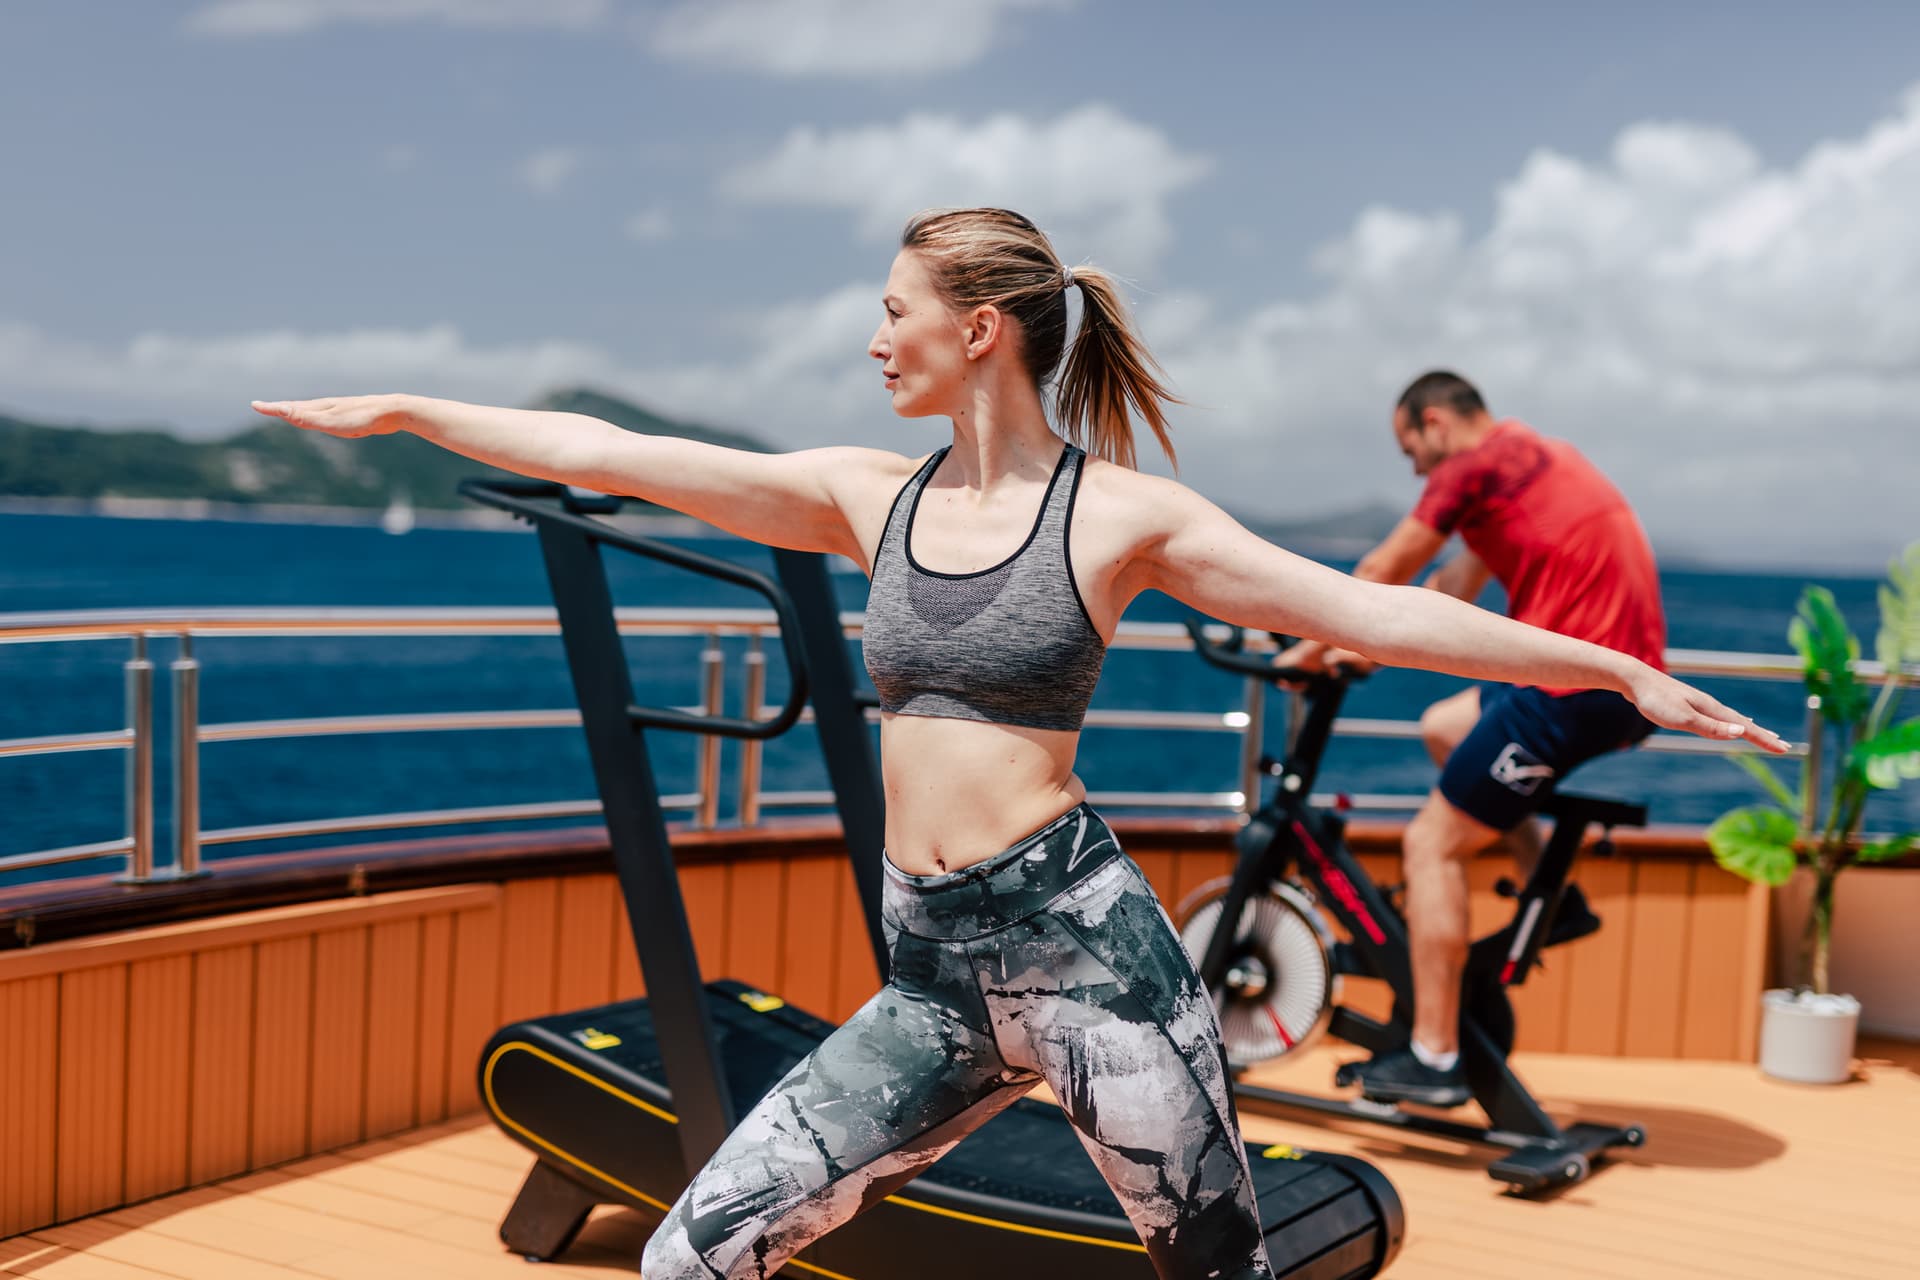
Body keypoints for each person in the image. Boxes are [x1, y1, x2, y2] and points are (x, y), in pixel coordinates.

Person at [253, 211, 1782, 1279]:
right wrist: (412, 409)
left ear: (977, 330)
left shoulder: (1119, 515)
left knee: (1215, 1268)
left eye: (893, 311)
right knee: (693, 1249)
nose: (873, 341)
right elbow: (624, 458)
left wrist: (1613, 670)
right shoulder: (871, 494)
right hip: (929, 982)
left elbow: (1371, 620)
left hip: (1091, 962)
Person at [1277, 370, 1671, 1108]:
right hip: (1610, 675)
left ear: (1435, 423)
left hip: (1574, 687)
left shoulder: (1472, 467)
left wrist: (1299, 651)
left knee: (1431, 844)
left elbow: (1378, 574)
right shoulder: (1529, 461)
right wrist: (1360, 646)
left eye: (1411, 451)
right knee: (1444, 727)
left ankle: (1435, 1057)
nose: (1417, 469)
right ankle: (1550, 896)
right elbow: (1452, 589)